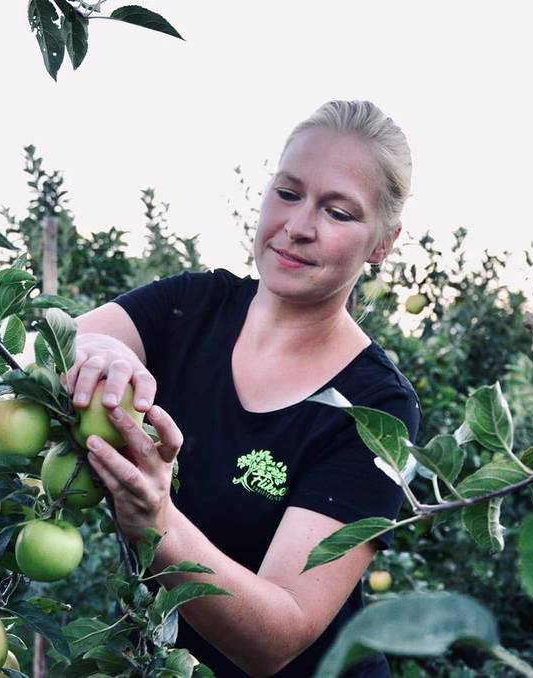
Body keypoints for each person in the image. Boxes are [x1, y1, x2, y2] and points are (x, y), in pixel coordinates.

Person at [65, 100, 421, 677]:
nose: (298, 226)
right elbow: (58, 345)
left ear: (381, 242)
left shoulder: (376, 410)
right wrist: (98, 349)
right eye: (287, 193)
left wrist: (157, 523)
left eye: (338, 212)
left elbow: (277, 637)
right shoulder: (191, 307)